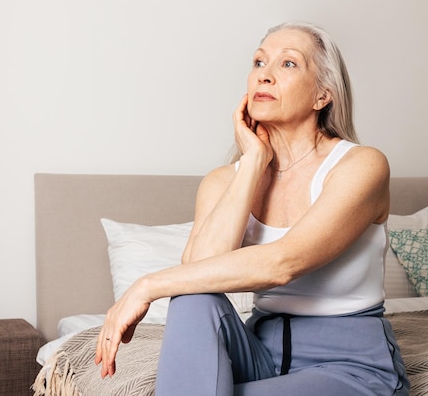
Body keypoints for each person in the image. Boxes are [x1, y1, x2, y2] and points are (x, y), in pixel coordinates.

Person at [95, 22, 410, 395]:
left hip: (347, 365)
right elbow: (197, 271)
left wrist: (146, 286)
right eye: (259, 62)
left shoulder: (361, 166)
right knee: (193, 295)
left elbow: (284, 264)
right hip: (257, 354)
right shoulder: (222, 181)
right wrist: (252, 163)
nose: (265, 75)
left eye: (288, 64)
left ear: (322, 95)